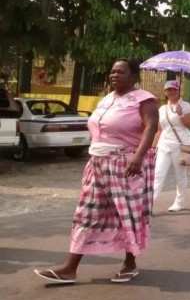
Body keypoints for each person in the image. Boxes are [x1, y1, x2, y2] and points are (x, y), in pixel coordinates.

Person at [34, 58, 158, 284]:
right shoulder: (107, 99)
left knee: (127, 214)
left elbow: (151, 127)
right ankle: (69, 269)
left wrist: (139, 157)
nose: (114, 75)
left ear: (134, 76)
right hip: (99, 163)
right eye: (112, 71)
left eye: (120, 72)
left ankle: (130, 263)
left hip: (126, 164)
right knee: (86, 213)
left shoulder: (144, 99)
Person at [152, 80, 190, 212]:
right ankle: (150, 204)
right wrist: (153, 147)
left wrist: (180, 114)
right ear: (165, 92)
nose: (172, 92)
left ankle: (179, 202)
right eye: (169, 90)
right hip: (164, 144)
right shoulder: (162, 109)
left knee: (180, 174)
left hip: (180, 144)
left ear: (178, 91)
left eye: (174, 89)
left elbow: (189, 125)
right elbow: (159, 129)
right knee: (158, 174)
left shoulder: (185, 105)